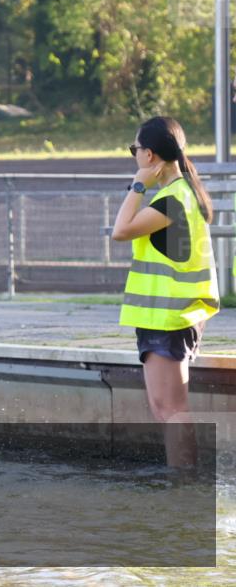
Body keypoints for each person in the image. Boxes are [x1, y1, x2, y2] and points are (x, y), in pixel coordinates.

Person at [112, 116, 219, 468]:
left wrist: (138, 186)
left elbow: (121, 231)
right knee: (165, 409)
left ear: (151, 154)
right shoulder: (183, 194)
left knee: (171, 410)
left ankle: (184, 489)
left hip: (168, 318)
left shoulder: (172, 199)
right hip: (167, 316)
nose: (135, 156)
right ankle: (182, 486)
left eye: (135, 150)